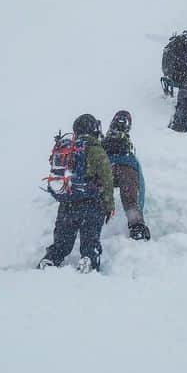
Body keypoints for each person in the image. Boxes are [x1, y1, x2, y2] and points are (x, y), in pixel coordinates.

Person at [39, 114, 115, 272]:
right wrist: (108, 205)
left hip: (67, 203)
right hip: (91, 204)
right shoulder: (94, 148)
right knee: (90, 240)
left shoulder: (67, 148)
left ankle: (50, 259)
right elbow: (107, 177)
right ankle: (88, 260)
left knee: (61, 242)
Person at [102, 110, 150, 240]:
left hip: (106, 168)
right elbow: (141, 182)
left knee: (99, 196)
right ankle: (137, 226)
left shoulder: (104, 139)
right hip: (127, 168)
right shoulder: (127, 145)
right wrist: (140, 203)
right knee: (130, 200)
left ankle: (94, 222)